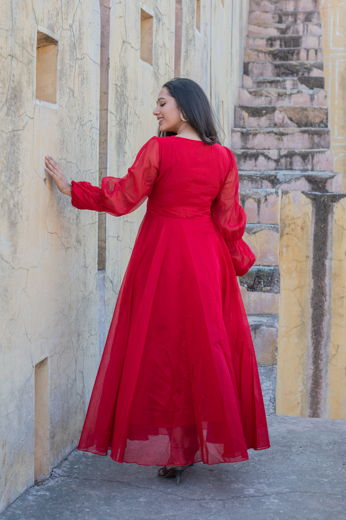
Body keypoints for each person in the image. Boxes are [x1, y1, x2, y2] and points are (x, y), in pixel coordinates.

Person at [45, 77, 270, 486]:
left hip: (163, 256)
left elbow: (123, 197)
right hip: (206, 262)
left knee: (162, 347)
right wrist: (238, 261)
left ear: (183, 108)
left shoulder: (159, 150)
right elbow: (228, 221)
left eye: (161, 103)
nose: (156, 110)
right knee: (202, 347)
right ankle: (189, 444)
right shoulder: (223, 157)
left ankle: (175, 446)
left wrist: (71, 188)